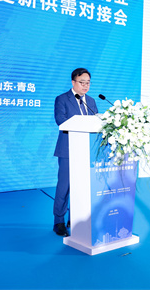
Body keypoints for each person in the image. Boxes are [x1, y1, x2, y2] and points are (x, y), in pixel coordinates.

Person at [53, 67, 98, 236]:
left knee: (82, 187)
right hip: (67, 150)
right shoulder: (62, 99)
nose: (85, 86)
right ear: (73, 82)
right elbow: (61, 120)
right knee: (64, 187)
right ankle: (58, 221)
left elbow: (96, 121)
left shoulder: (91, 101)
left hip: (86, 151)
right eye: (82, 82)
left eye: (88, 83)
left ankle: (76, 218)